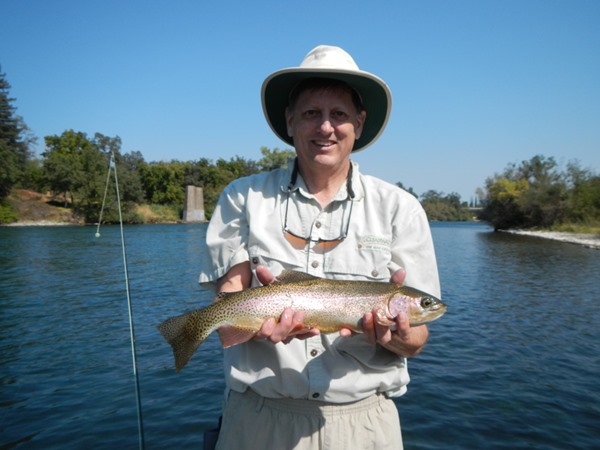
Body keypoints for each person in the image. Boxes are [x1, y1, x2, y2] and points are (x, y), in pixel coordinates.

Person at [199, 45, 440, 450]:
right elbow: (228, 313)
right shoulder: (241, 198)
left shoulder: (401, 208)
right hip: (256, 421)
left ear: (359, 125)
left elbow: (416, 341)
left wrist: (392, 335)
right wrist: (257, 329)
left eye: (339, 115)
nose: (325, 127)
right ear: (290, 121)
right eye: (312, 113)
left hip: (365, 424)